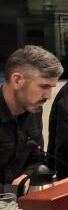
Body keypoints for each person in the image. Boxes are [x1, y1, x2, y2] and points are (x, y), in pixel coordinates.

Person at [0, 46, 63, 191]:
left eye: (51, 87)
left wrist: (29, 176)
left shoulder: (33, 109)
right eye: (44, 86)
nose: (48, 96)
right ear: (17, 80)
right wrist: (17, 190)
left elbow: (37, 157)